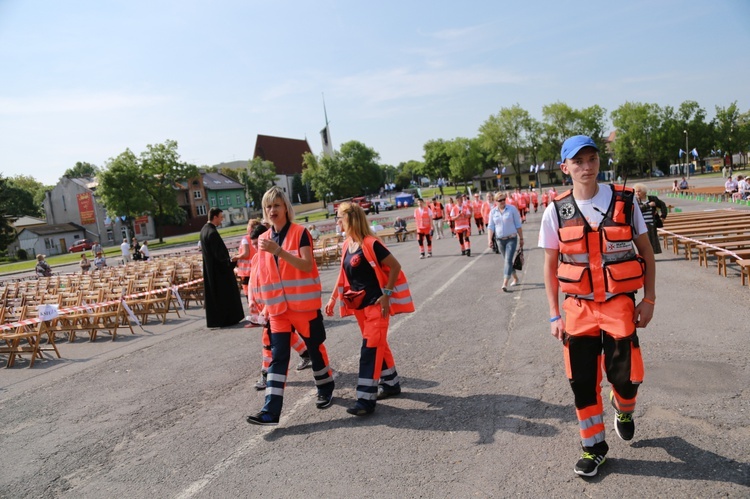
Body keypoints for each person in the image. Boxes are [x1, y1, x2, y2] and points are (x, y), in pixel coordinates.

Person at [539, 135, 655, 478]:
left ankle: (624, 407)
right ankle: (593, 448)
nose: (586, 167)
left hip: (619, 306)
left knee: (627, 377)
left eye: (591, 159)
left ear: (598, 162)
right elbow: (549, 265)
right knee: (582, 381)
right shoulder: (554, 211)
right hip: (577, 310)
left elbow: (647, 252)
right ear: (565, 168)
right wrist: (553, 314)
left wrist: (648, 300)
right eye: (578, 162)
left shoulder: (626, 202)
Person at [246, 187, 335, 426]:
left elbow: (306, 266)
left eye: (276, 205)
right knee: (279, 358)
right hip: (277, 310)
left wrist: (280, 252)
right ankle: (270, 411)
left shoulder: (300, 233)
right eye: (268, 207)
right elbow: (264, 274)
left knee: (314, 349)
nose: (272, 211)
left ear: (286, 207)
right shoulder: (263, 239)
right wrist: (262, 304)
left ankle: (325, 387)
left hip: (303, 305)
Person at [325, 202, 414, 416]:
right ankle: (391, 384)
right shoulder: (347, 244)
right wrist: (333, 297)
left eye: (339, 217)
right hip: (359, 307)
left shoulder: (371, 244)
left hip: (376, 306)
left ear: (350, 219)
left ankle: (365, 400)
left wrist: (387, 295)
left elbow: (395, 267)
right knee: (379, 345)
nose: (337, 222)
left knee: (370, 349)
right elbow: (343, 274)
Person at [248, 224, 312, 391]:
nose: (255, 247)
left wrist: (267, 309)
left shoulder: (274, 259)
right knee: (287, 335)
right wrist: (250, 298)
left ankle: (266, 374)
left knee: (268, 341)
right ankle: (307, 354)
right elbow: (251, 280)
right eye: (253, 244)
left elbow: (276, 286)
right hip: (264, 307)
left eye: (258, 243)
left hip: (273, 307)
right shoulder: (256, 258)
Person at [200, 208, 245, 329]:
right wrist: (231, 262)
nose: (222, 219)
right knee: (225, 296)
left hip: (211, 270)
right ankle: (228, 319)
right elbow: (220, 256)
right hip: (220, 272)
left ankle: (219, 319)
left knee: (216, 297)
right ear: (215, 217)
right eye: (220, 217)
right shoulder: (212, 233)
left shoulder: (204, 230)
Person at [487, 193, 523, 292]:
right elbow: (490, 227)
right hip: (499, 240)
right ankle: (515, 277)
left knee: (507, 260)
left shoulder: (512, 209)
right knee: (507, 261)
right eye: (500, 200)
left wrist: (521, 238)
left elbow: (518, 225)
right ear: (496, 202)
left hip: (511, 238)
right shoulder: (493, 212)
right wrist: (490, 239)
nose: (503, 201)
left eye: (504, 199)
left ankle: (505, 283)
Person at [232, 219, 260, 326]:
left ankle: (254, 319)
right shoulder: (259, 237)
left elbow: (245, 253)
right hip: (255, 268)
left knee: (249, 296)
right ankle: (258, 316)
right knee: (257, 294)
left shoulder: (245, 239)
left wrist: (236, 257)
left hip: (246, 271)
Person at [634, 183, 667, 254]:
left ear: (644, 192)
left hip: (652, 223)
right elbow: (638, 209)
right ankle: (644, 255)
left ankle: (650, 256)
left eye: (639, 191)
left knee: (652, 241)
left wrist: (663, 217)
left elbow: (663, 205)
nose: (637, 193)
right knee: (643, 242)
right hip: (641, 225)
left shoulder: (652, 199)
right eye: (636, 191)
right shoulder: (635, 200)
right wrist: (648, 205)